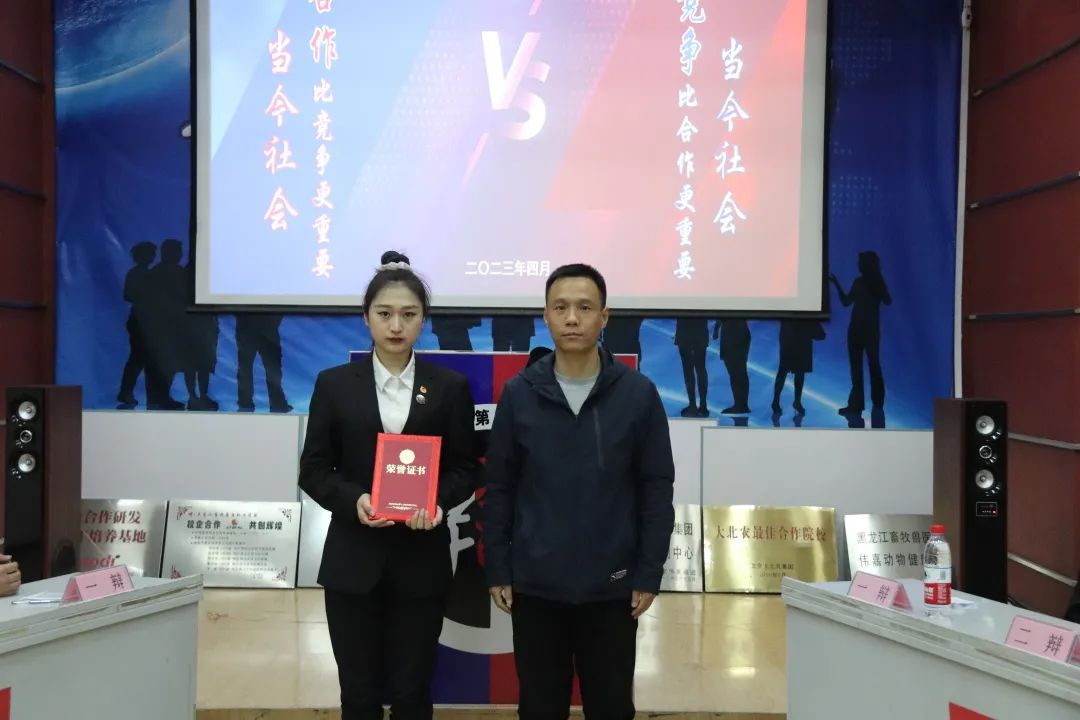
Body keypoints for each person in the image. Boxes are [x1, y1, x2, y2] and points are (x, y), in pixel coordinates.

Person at [484, 263, 675, 720]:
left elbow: (656, 488)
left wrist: (648, 572)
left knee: (611, 706)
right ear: (545, 316)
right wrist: (498, 568)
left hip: (612, 589)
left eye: (585, 308)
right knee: (539, 707)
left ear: (604, 317)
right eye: (561, 308)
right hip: (536, 586)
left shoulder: (638, 394)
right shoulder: (520, 393)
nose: (572, 318)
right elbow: (501, 487)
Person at [299, 251, 482, 720]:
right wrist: (355, 500)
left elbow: (465, 467)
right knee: (358, 694)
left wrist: (437, 503)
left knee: (412, 692)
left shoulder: (449, 387)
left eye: (409, 314)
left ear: (423, 319)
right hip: (352, 562)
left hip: (421, 562)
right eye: (384, 314)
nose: (396, 325)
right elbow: (313, 470)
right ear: (366, 318)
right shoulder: (335, 384)